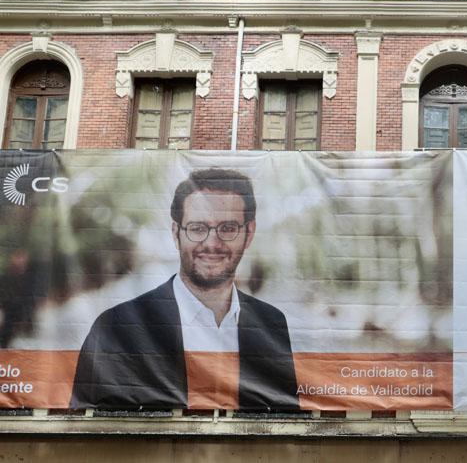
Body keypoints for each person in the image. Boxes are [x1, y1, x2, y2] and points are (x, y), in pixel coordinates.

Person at [70, 168, 298, 410]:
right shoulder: (116, 327)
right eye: (198, 228)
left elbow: (287, 417)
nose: (212, 243)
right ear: (176, 232)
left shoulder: (272, 323)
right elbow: (84, 424)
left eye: (228, 228)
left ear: (249, 233)